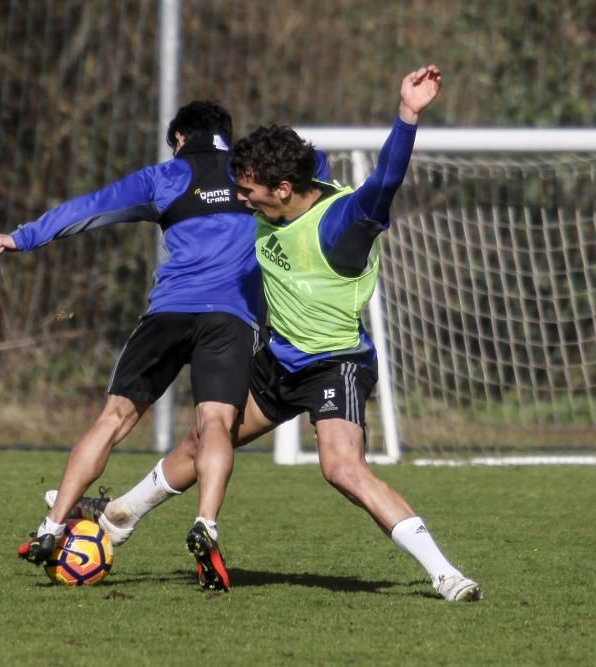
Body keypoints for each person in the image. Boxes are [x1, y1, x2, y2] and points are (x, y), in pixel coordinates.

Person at [50, 64, 482, 602]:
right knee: (206, 438)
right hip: (279, 359)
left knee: (341, 468)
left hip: (335, 363)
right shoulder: (268, 206)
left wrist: (407, 116)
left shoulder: (341, 224)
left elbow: (386, 182)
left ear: (281, 188)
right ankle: (118, 518)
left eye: (248, 190)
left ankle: (444, 572)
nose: (240, 197)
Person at [0, 100, 268, 589]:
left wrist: (22, 238)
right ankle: (206, 522)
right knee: (216, 422)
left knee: (111, 421)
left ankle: (52, 528)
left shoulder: (165, 177)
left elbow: (91, 208)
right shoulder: (253, 176)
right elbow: (314, 174)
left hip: (169, 312)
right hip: (230, 318)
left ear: (179, 138)